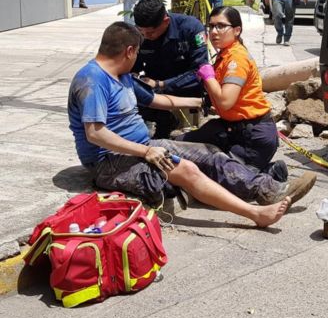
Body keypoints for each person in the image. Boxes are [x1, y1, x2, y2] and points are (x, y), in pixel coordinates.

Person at [67, 22, 292, 228]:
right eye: (137, 53)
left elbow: (155, 100)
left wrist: (201, 103)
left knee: (209, 153)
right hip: (109, 161)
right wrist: (146, 151)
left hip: (143, 146)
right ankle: (256, 214)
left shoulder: (122, 75)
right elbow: (95, 134)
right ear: (129, 51)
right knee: (187, 169)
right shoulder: (93, 80)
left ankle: (268, 190)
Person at [182, 7, 317, 196]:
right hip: (231, 128)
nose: (214, 32)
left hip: (252, 137)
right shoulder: (224, 54)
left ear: (237, 30)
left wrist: (208, 77)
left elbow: (225, 102)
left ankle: (270, 177)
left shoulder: (236, 59)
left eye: (221, 26)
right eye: (211, 26)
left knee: (217, 185)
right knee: (183, 147)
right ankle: (257, 170)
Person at [131, 0, 209, 139]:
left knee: (188, 138)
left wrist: (161, 84)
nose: (145, 37)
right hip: (153, 93)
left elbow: (199, 72)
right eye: (142, 32)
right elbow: (132, 67)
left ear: (166, 21)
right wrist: (135, 78)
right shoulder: (139, 34)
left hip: (186, 90)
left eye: (150, 33)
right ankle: (162, 125)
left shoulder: (191, 28)